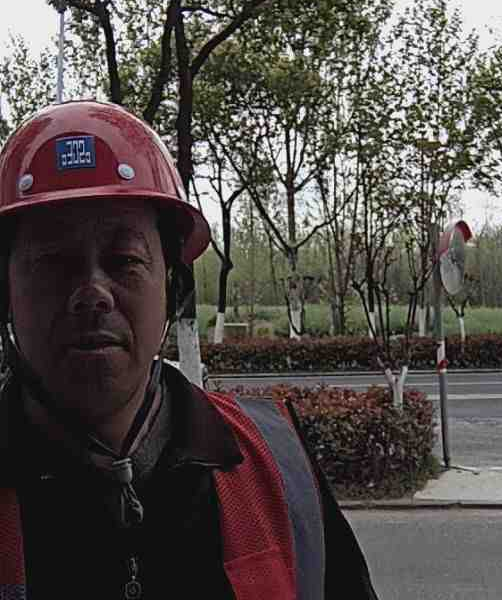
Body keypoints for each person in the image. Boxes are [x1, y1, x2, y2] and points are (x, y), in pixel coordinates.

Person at [0, 101, 379, 600]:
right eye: (53, 263)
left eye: (124, 260)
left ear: (173, 287)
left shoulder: (276, 466)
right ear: (5, 294)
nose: (92, 293)